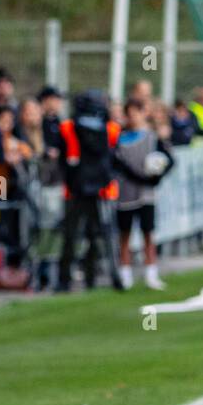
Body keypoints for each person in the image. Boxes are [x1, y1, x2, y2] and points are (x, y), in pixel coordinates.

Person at [57, 90, 121, 292]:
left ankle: (66, 280)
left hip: (78, 188)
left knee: (74, 235)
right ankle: (90, 278)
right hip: (96, 188)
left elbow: (62, 159)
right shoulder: (111, 128)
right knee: (92, 234)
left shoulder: (68, 126)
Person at [112, 98, 175, 290]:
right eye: (129, 113)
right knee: (125, 235)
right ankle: (125, 274)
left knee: (148, 233)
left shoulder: (152, 137)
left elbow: (169, 159)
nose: (132, 117)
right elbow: (119, 165)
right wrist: (139, 176)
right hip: (125, 194)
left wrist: (157, 176)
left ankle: (151, 274)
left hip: (146, 194)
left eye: (136, 112)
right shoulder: (120, 139)